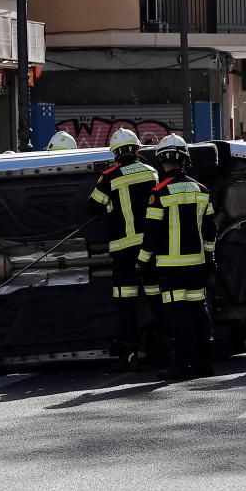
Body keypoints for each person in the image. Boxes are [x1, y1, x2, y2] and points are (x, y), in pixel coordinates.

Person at [137, 134, 216, 380]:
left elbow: (152, 232)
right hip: (197, 264)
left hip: (170, 268)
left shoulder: (158, 192)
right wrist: (210, 256)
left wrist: (142, 261)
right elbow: (210, 229)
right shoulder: (201, 190)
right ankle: (204, 364)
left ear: (161, 160)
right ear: (185, 160)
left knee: (178, 316)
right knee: (199, 312)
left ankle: (182, 365)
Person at [88, 128, 158, 370]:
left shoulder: (109, 177)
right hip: (151, 249)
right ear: (137, 149)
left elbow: (93, 207)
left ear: (116, 152)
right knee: (157, 299)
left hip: (124, 252)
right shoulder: (152, 173)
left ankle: (130, 356)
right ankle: (166, 351)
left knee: (126, 304)